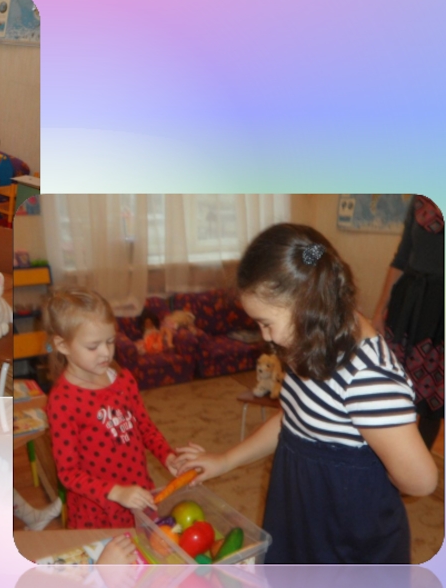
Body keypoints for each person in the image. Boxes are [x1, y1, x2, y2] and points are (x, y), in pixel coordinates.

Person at [175, 223, 438, 564]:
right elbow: (294, 419)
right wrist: (226, 460)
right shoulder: (311, 340)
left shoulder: (367, 377)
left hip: (347, 542)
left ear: (306, 303)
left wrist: (376, 472)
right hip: (301, 516)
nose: (264, 336)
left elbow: (422, 481)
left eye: (266, 323)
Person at [42, 288, 182, 530]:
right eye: (93, 346)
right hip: (98, 510)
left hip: (138, 493)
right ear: (62, 345)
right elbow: (68, 472)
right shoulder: (62, 402)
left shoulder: (122, 379)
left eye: (110, 341)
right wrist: (116, 492)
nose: (106, 353)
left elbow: (145, 428)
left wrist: (167, 455)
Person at [371, 196, 444, 450]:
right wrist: (380, 311)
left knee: (433, 396)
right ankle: (389, 458)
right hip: (408, 304)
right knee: (393, 387)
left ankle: (416, 465)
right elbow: (401, 258)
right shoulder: (420, 200)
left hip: (440, 312)